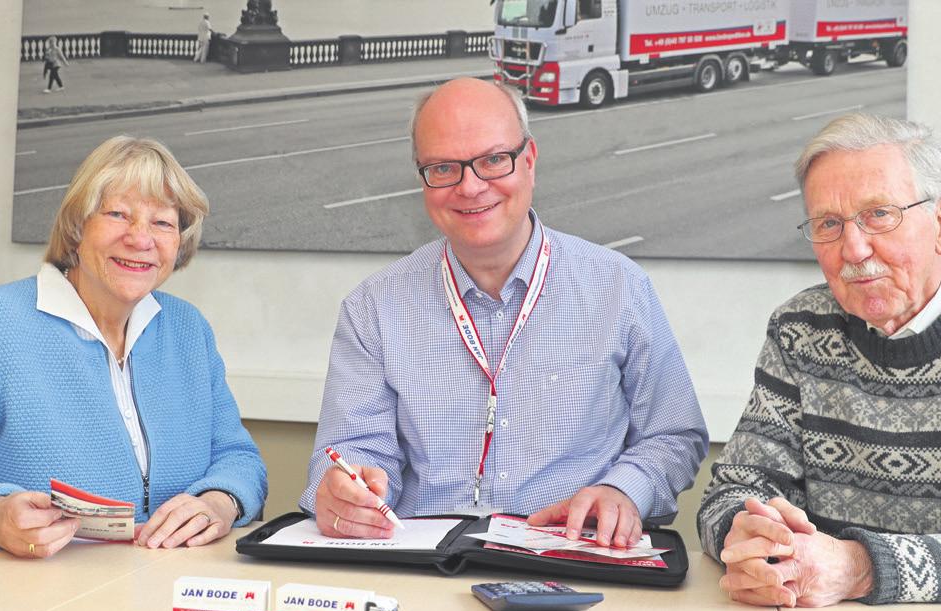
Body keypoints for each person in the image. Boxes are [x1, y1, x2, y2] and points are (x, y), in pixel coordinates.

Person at [300, 78, 707, 547]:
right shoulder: (374, 307)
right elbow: (353, 452)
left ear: (529, 161)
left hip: (571, 559)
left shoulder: (618, 287)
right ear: (422, 178)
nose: (471, 187)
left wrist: (624, 491)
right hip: (423, 568)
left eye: (494, 160)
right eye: (444, 167)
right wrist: (345, 494)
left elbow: (674, 434)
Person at [697, 112, 941, 606]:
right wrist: (747, 533)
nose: (853, 248)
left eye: (879, 215)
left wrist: (861, 567)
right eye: (829, 224)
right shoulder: (801, 328)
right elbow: (734, 488)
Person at [0, 136, 268, 558]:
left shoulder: (188, 329)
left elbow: (238, 458)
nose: (141, 239)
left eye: (162, 223)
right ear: (78, 226)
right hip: (31, 599)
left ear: (179, 242)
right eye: (118, 214)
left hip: (174, 586)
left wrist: (219, 502)